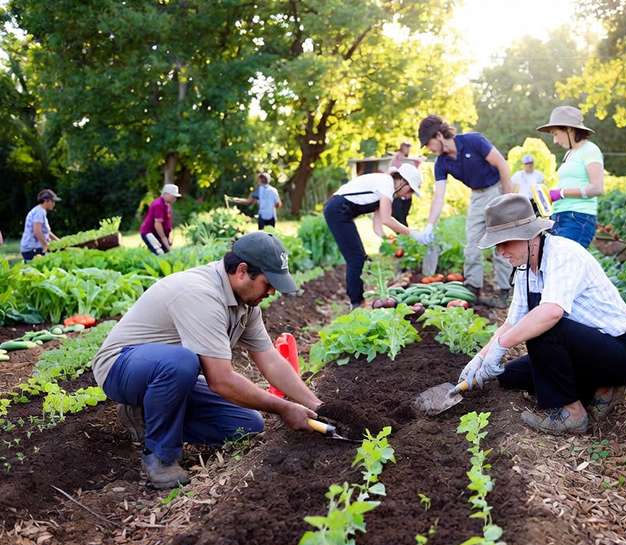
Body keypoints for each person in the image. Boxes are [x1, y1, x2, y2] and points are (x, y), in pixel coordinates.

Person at [92, 232, 322, 489]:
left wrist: (318, 406)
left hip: (169, 377)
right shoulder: (201, 294)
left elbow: (271, 361)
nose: (271, 292)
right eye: (268, 284)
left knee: (248, 424)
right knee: (182, 362)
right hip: (121, 367)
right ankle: (161, 457)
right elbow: (221, 381)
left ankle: (145, 414)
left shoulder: (247, 304)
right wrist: (283, 408)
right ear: (243, 271)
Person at [458, 194, 626, 435]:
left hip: (620, 352)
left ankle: (572, 414)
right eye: (497, 245)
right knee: (509, 375)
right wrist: (481, 359)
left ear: (529, 235)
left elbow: (551, 313)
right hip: (584, 351)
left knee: (544, 327)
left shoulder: (563, 253)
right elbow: (512, 322)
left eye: (505, 243)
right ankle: (602, 389)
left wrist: (502, 346)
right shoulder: (525, 267)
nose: (501, 252)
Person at [417, 115, 513, 307]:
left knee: (501, 243)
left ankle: (505, 291)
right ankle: (473, 288)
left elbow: (502, 164)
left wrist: (508, 199)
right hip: (477, 196)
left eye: (428, 143)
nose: (429, 149)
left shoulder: (473, 141)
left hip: (497, 189)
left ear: (438, 135)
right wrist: (429, 225)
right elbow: (439, 196)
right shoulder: (441, 163)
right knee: (472, 245)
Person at [324, 163, 427, 308]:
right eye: (410, 190)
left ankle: (357, 301)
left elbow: (378, 226)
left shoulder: (385, 188)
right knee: (356, 258)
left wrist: (389, 241)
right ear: (403, 182)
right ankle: (356, 303)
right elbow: (387, 219)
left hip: (341, 212)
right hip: (337, 211)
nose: (408, 195)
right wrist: (413, 233)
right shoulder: (386, 184)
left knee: (359, 257)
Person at [537, 106, 604, 248]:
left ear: (569, 129)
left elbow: (597, 188)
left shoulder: (590, 150)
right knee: (557, 264)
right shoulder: (570, 154)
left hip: (577, 218)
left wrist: (561, 193)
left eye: (556, 134)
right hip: (560, 216)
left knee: (567, 265)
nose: (555, 140)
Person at [20, 189, 61, 262]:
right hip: (32, 249)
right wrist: (45, 246)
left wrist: (60, 242)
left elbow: (47, 232)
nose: (54, 204)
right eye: (53, 201)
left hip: (33, 248)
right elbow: (37, 231)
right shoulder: (39, 212)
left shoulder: (39, 211)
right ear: (46, 200)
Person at [140, 183, 180, 255]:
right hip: (150, 233)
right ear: (166, 194)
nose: (175, 198)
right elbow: (158, 224)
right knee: (160, 253)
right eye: (173, 196)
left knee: (166, 253)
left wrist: (168, 238)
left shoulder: (166, 204)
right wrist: (164, 238)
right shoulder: (158, 204)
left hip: (158, 235)